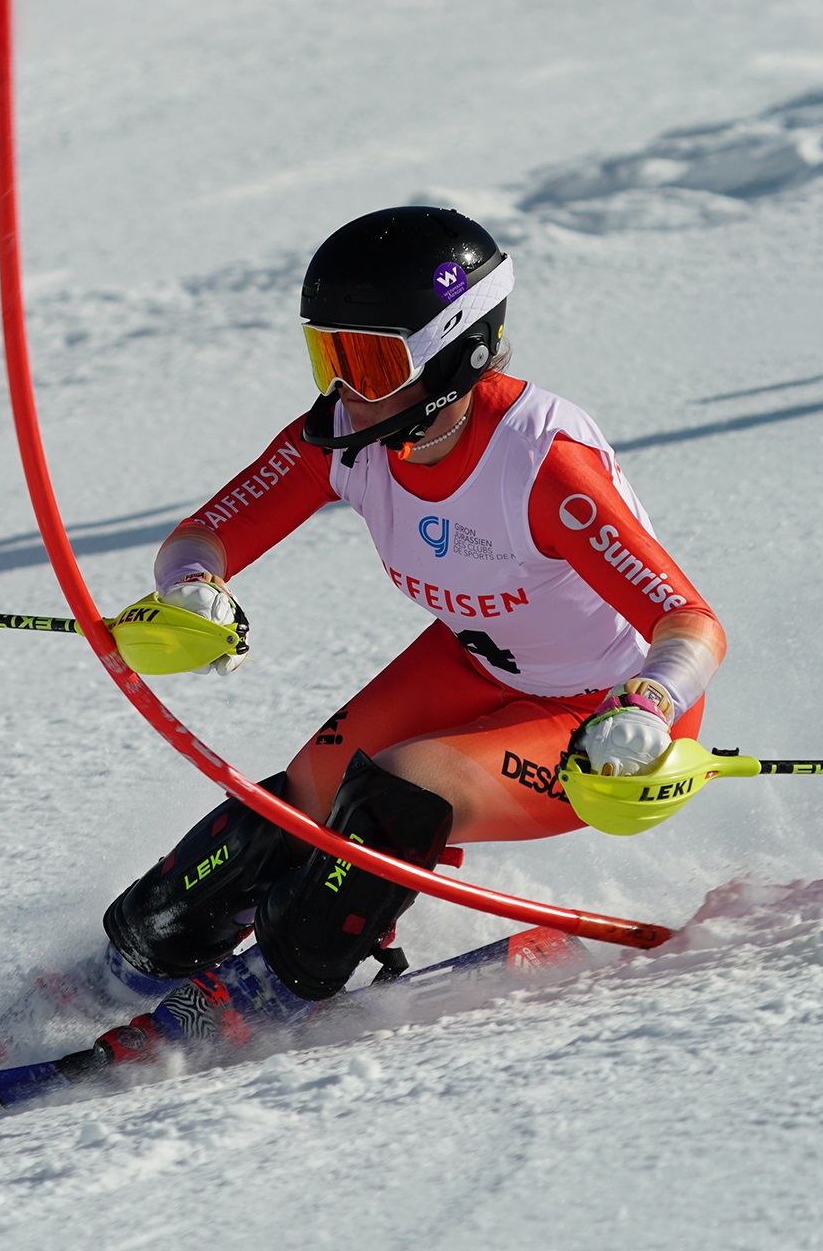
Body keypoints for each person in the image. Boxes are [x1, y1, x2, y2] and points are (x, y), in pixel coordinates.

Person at [101, 206, 725, 1018]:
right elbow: (205, 534)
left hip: (604, 724)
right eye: (330, 355)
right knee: (293, 810)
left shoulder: (542, 465)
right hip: (474, 663)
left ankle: (270, 993)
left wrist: (648, 705)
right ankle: (129, 965)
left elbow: (690, 622)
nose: (345, 390)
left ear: (458, 353)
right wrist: (191, 583)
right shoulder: (349, 436)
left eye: (371, 361)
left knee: (393, 796)